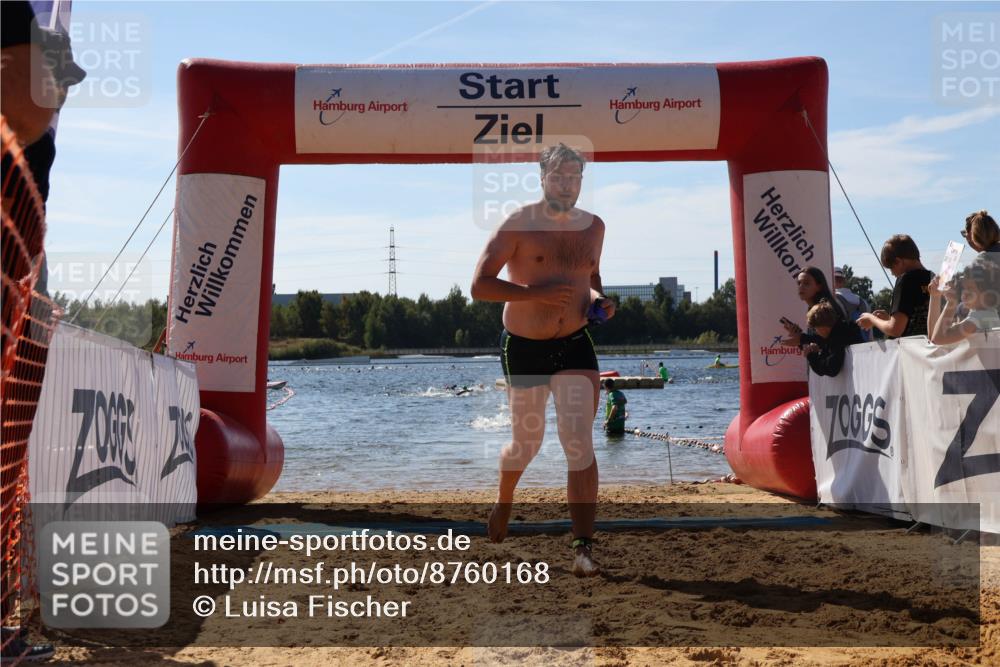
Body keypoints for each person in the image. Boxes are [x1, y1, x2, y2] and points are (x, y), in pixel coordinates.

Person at [471, 143, 613, 577]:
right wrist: (534, 295)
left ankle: (583, 547)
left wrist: (600, 300)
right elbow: (480, 286)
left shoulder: (594, 227)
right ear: (542, 177)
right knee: (527, 443)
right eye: (558, 176)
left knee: (579, 441)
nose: (567, 185)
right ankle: (505, 500)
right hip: (525, 345)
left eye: (574, 178)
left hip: (574, 342)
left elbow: (590, 277)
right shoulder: (518, 224)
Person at [857, 235, 932, 339]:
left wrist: (871, 319)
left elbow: (895, 329)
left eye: (890, 267)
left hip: (913, 350)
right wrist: (888, 320)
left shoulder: (905, 281)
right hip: (936, 348)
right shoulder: (934, 279)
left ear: (898, 261)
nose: (892, 273)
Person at [781, 266, 863, 349]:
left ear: (819, 286)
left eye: (806, 283)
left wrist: (802, 339)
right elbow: (820, 347)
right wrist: (799, 337)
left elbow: (832, 340)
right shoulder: (813, 308)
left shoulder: (826, 308)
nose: (801, 287)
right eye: (799, 283)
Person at [928, 258, 1000, 344]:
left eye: (970, 289)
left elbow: (937, 340)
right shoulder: (988, 315)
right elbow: (934, 336)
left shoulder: (978, 319)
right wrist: (935, 296)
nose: (964, 294)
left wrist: (951, 302)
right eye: (964, 288)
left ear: (989, 296)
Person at [800, 301, 855, 376]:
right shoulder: (838, 331)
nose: (816, 332)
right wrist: (815, 354)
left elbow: (831, 369)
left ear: (822, 327)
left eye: (815, 328)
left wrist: (811, 356)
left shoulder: (839, 335)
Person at [833, 266, 872, 342]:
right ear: (844, 281)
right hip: (863, 344)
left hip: (842, 345)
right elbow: (870, 333)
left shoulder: (832, 299)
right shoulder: (861, 301)